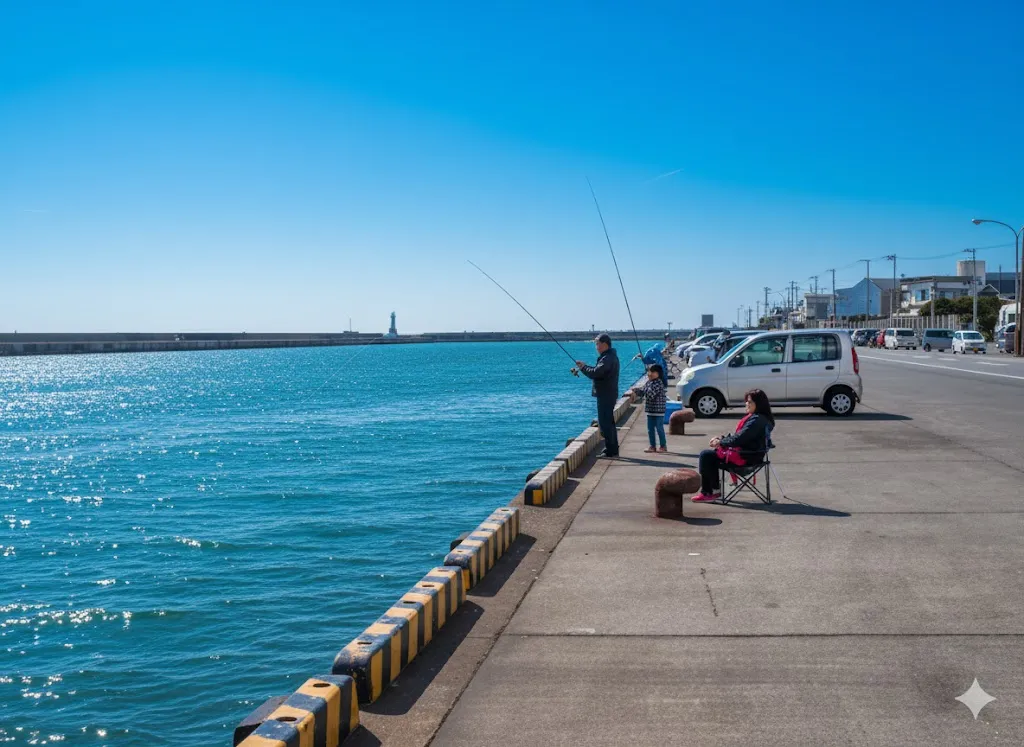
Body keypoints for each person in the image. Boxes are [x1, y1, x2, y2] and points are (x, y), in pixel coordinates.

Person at [691, 388, 774, 502]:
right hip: (754, 457)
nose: (747, 404)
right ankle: (713, 491)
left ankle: (709, 492)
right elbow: (741, 437)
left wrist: (720, 442)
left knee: (706, 456)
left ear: (758, 404)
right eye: (747, 401)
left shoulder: (756, 421)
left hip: (746, 459)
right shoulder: (764, 419)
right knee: (712, 455)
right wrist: (722, 439)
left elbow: (739, 439)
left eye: (750, 402)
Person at [576, 334, 620, 457]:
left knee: (605, 423)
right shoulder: (608, 357)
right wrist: (584, 367)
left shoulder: (607, 359)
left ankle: (611, 450)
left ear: (604, 344)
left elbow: (596, 373)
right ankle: (612, 448)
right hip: (608, 393)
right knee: (608, 422)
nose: (596, 347)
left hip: (606, 394)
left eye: (598, 344)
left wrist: (584, 367)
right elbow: (597, 370)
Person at [629, 363, 667, 453]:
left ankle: (663, 446)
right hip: (650, 410)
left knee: (659, 428)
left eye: (652, 372)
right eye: (649, 371)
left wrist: (643, 391)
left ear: (658, 373)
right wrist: (636, 390)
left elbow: (651, 395)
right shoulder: (649, 382)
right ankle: (652, 446)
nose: (649, 374)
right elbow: (643, 392)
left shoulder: (659, 383)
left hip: (658, 410)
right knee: (650, 429)